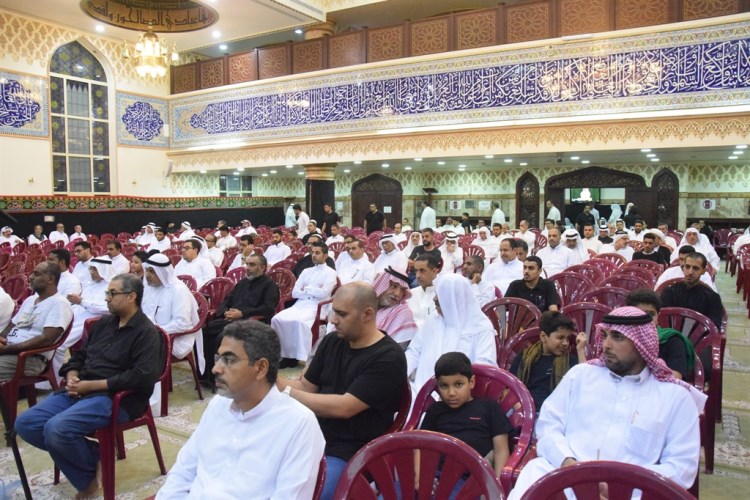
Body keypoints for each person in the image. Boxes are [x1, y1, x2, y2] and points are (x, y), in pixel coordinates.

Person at [507, 306, 706, 499]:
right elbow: (548, 426)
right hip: (566, 479)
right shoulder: (580, 376)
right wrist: (569, 465)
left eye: (617, 337)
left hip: (637, 491)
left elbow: (681, 467)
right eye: (604, 336)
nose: (606, 345)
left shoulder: (675, 397)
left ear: (641, 344)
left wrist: (621, 484)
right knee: (533, 476)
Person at [14, 273, 165, 499]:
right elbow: (79, 356)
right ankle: (95, 453)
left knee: (57, 429)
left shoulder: (147, 333)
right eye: (107, 293)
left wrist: (91, 386)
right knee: (26, 424)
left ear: (131, 296)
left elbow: (141, 377)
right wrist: (73, 375)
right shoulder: (104, 324)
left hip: (114, 397)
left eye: (112, 293)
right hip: (81, 389)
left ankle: (88, 481)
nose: (106, 298)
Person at [156, 320, 325, 498]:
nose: (216, 369)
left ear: (260, 368)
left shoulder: (298, 424)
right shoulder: (218, 405)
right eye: (218, 358)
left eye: (229, 360)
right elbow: (182, 473)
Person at [276, 282, 407, 500]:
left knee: (313, 494)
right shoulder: (332, 341)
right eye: (333, 312)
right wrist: (272, 380)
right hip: (312, 434)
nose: (333, 320)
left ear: (367, 314)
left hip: (354, 450)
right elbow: (307, 386)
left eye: (341, 314)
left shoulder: (388, 357)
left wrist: (285, 391)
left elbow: (345, 407)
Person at [405, 274, 496, 399]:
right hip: (420, 392)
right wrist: (400, 375)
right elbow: (413, 351)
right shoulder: (433, 319)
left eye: (441, 295)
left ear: (456, 298)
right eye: (436, 293)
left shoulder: (481, 327)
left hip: (459, 397)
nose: (435, 299)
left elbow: (485, 367)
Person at [420, 352, 511, 477]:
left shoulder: (489, 407)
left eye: (458, 384)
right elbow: (421, 446)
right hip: (437, 476)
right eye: (444, 386)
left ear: (471, 382)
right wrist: (418, 479)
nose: (451, 393)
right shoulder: (435, 410)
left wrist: (497, 482)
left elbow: (501, 450)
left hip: (475, 478)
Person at [202, 254, 279, 388]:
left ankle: (224, 377)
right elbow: (227, 300)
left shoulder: (269, 285)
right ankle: (207, 375)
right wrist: (225, 311)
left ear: (262, 267)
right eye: (247, 264)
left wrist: (242, 314)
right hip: (230, 319)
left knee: (221, 337)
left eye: (252, 265)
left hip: (250, 323)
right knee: (203, 332)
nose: (247, 268)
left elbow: (268, 308)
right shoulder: (242, 283)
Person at [0, 262, 73, 381]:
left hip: (30, 358)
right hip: (10, 351)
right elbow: (11, 326)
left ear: (50, 279)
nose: (30, 277)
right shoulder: (30, 300)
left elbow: (47, 339)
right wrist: (1, 339)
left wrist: (7, 349)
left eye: (36, 274)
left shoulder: (60, 304)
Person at [272, 241, 337, 368]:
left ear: (325, 256)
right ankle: (284, 355)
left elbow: (323, 293)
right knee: (277, 319)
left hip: (317, 306)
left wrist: (306, 289)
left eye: (317, 253)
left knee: (299, 322)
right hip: (300, 304)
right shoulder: (306, 271)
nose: (314, 255)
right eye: (312, 252)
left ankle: (297, 356)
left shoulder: (331, 272)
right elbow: (295, 292)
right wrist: (313, 290)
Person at [509, 311, 586, 412]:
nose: (565, 343)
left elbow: (584, 385)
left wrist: (580, 350)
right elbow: (509, 387)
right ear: (543, 336)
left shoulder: (569, 360)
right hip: (525, 409)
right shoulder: (524, 357)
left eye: (568, 339)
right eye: (560, 338)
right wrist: (519, 407)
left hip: (556, 412)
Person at [142, 253, 201, 364]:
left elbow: (181, 323)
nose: (148, 275)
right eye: (147, 270)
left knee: (136, 345)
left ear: (163, 272)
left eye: (152, 271)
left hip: (176, 338)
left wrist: (155, 331)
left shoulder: (178, 291)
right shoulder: (151, 288)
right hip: (152, 333)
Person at [60, 258, 113, 378]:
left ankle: (55, 379)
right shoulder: (90, 285)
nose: (92, 272)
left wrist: (82, 302)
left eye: (95, 269)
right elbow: (81, 304)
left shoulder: (111, 287)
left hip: (92, 320)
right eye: (91, 269)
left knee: (59, 343)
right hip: (78, 315)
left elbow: (107, 308)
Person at [627, 289, 696, 380]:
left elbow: (675, 377)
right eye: (640, 314)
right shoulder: (623, 339)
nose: (646, 319)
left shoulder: (673, 341)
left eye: (651, 314)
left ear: (658, 316)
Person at [660, 252, 723, 330]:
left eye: (695, 268)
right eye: (687, 267)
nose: (690, 272)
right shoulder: (670, 292)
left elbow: (714, 328)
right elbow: (661, 318)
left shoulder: (712, 297)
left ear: (703, 271)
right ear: (683, 267)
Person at [372, 267, 418, 345]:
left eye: (402, 290)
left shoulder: (403, 313)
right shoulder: (367, 305)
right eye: (394, 286)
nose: (397, 294)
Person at [406, 255, 440, 331]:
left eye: (422, 271)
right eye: (416, 271)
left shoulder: (442, 294)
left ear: (434, 271)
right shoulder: (411, 294)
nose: (418, 276)